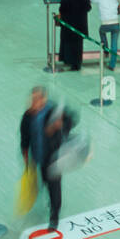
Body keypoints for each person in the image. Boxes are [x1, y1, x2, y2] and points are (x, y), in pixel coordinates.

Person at [19, 87, 75, 230]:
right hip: (39, 156)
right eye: (32, 99)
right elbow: (24, 135)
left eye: (37, 99)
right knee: (44, 180)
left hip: (54, 156)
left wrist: (61, 126)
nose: (33, 102)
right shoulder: (28, 115)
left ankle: (54, 215)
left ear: (44, 99)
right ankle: (52, 201)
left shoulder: (54, 111)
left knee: (54, 185)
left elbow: (71, 119)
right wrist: (25, 153)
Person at [57, 0, 91, 71]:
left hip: (68, 26)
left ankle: (68, 61)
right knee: (78, 45)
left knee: (68, 44)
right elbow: (88, 8)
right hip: (80, 26)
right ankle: (77, 64)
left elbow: (61, 10)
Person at [91, 0, 120, 70]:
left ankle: (105, 48)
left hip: (105, 24)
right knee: (114, 45)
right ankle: (112, 65)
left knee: (101, 31)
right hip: (116, 24)